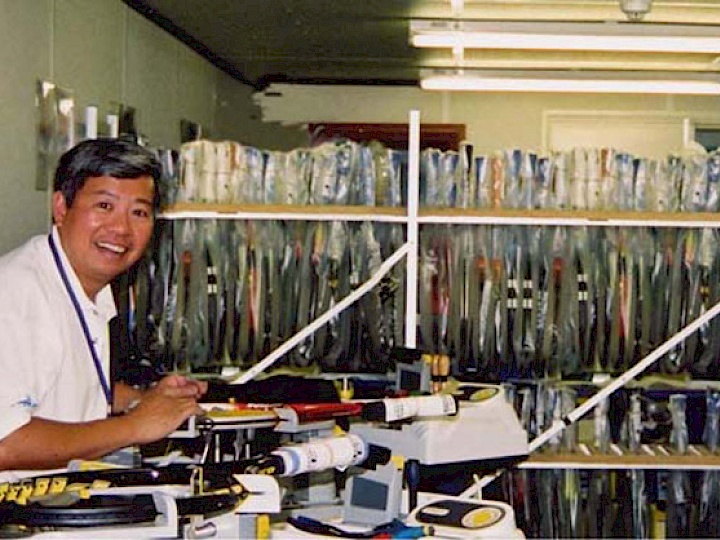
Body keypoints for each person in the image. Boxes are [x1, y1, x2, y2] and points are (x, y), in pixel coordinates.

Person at [0, 138, 206, 482]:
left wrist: (141, 400)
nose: (122, 229)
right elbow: (6, 441)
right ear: (62, 207)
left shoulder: (87, 287)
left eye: (139, 212)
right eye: (104, 206)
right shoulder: (18, 296)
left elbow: (47, 384)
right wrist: (134, 426)